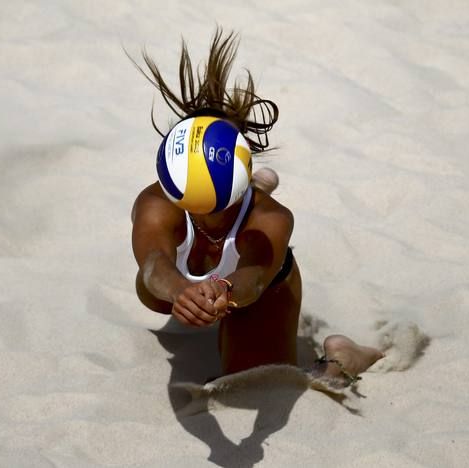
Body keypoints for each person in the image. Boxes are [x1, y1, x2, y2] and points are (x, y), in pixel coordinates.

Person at [130, 29, 383, 383]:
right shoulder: (157, 200)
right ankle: (253, 185)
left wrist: (226, 290)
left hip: (264, 286)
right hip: (200, 259)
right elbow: (153, 264)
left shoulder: (272, 218)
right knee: (153, 294)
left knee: (254, 381)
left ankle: (344, 357)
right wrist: (180, 292)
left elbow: (255, 276)